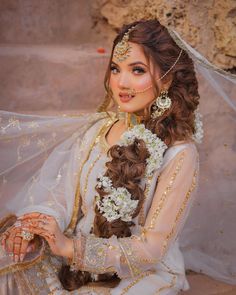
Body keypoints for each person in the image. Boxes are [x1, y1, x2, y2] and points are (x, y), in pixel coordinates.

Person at [0, 19, 235, 294]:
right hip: (75, 260)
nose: (121, 82)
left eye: (137, 70)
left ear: (167, 79)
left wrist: (70, 247)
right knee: (11, 263)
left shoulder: (179, 154)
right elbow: (62, 196)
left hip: (141, 272)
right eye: (115, 68)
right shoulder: (99, 130)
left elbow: (152, 248)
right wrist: (36, 228)